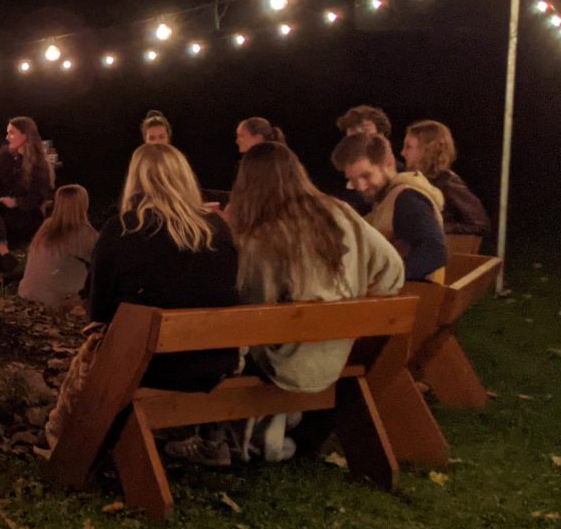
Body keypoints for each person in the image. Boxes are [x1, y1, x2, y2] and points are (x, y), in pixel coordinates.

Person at [165, 142, 404, 467]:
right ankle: (248, 434)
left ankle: (211, 439)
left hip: (285, 365)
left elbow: (244, 312)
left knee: (214, 339)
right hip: (335, 355)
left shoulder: (263, 238)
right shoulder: (341, 212)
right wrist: (355, 301)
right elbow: (393, 270)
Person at [87, 144, 240, 391]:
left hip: (146, 366)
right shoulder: (217, 228)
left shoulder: (121, 229)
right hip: (214, 363)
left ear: (135, 180)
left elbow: (98, 310)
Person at [331, 132, 448, 282]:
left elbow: (435, 251)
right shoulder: (386, 198)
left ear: (389, 164)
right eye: (353, 180)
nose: (360, 186)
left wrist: (385, 280)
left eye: (366, 176)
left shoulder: (407, 199)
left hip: (413, 293)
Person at [0, 116, 54, 276]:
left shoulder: (38, 164)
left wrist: (16, 202)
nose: (7, 137)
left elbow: (39, 195)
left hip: (25, 214)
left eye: (12, 133)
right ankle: (5, 255)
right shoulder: (4, 157)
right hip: (1, 212)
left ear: (25, 135)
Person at [401, 120, 489, 237]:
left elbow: (480, 224)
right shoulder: (415, 180)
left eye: (408, 147)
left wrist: (438, 227)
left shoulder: (447, 182)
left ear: (427, 150)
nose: (403, 153)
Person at [17, 184, 98, 310]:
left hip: (28, 294)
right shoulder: (86, 234)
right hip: (58, 302)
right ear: (84, 204)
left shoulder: (46, 227)